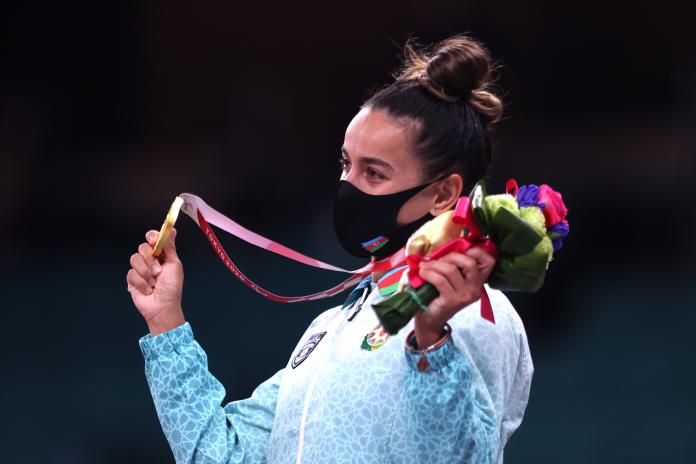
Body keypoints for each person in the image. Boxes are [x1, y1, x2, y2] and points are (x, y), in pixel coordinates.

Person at [127, 34, 533, 464]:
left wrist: (431, 339)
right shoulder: (330, 330)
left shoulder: (476, 314)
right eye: (346, 165)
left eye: (374, 174)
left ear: (443, 193)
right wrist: (166, 322)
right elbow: (223, 456)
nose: (348, 187)